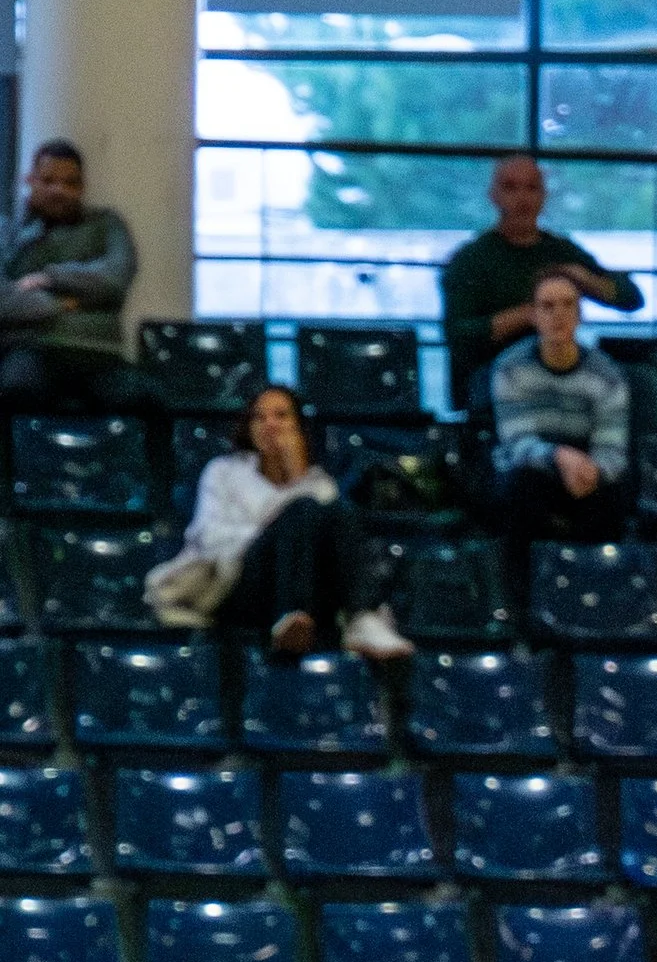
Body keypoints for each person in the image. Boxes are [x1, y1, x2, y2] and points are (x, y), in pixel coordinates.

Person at [146, 383, 410, 662]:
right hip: (235, 583)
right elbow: (210, 537)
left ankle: (362, 617)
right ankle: (290, 615)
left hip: (310, 594)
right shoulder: (223, 471)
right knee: (303, 509)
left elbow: (326, 554)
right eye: (259, 417)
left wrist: (297, 478)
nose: (270, 424)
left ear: (299, 428)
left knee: (341, 512)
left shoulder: (319, 485)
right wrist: (277, 527)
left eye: (281, 416)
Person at [439, 151, 644, 406]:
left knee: (642, 383)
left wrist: (586, 280)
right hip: (496, 373)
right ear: (494, 196)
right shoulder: (470, 260)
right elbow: (458, 336)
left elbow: (632, 299)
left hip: (562, 365)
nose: (522, 198)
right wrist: (530, 314)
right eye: (511, 188)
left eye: (532, 188)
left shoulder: (562, 252)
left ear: (544, 196)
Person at [487, 271, 635, 563]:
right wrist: (559, 457)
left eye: (569, 305)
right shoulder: (510, 369)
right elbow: (515, 443)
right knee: (521, 487)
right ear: (533, 315)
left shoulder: (608, 376)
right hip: (532, 469)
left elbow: (613, 451)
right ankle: (519, 600)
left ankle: (601, 589)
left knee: (613, 495)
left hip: (586, 470)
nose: (559, 315)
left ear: (580, 315)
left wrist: (593, 471)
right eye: (548, 306)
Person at [0, 143, 146, 412]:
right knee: (15, 392)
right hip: (31, 350)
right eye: (48, 181)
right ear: (29, 180)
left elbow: (115, 279)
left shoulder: (107, 224)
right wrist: (62, 303)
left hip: (99, 355)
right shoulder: (8, 233)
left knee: (144, 401)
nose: (59, 190)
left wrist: (48, 278)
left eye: (70, 183)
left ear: (82, 187)